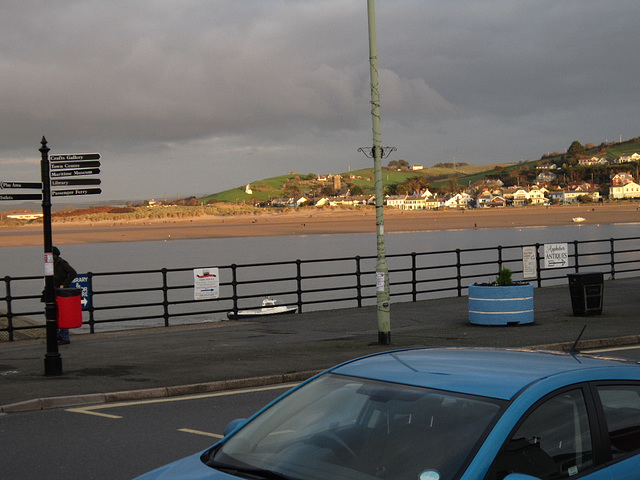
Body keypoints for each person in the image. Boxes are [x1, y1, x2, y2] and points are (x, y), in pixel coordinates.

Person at [52, 246, 77, 345]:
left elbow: (73, 273)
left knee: (62, 314)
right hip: (54, 291)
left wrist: (64, 285)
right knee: (50, 313)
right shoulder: (51, 264)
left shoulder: (61, 263)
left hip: (61, 292)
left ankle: (64, 337)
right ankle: (59, 335)